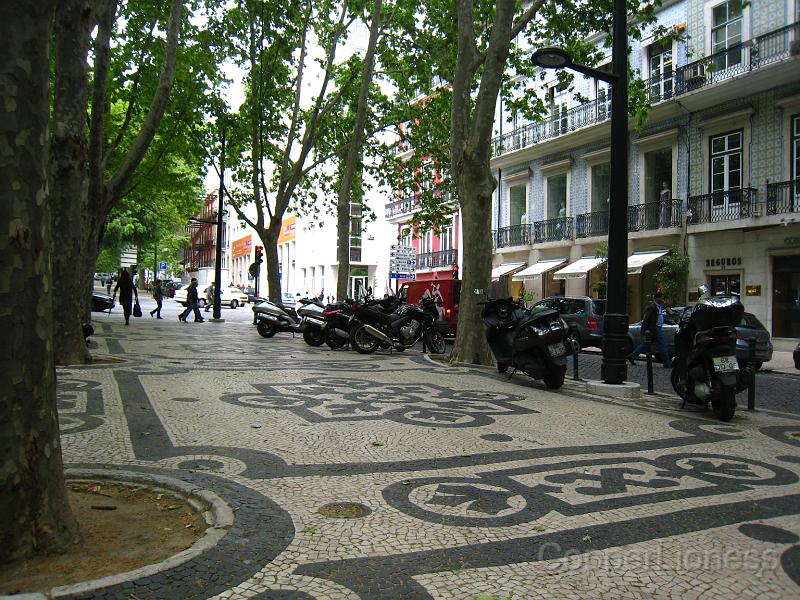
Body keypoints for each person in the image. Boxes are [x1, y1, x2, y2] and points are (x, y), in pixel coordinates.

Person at [628, 290, 670, 368]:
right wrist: (643, 330)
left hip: (655, 328)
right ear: (657, 298)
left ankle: (632, 356)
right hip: (655, 329)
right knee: (663, 345)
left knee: (646, 344)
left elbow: (659, 317)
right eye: (662, 298)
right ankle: (666, 362)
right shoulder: (652, 307)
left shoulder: (658, 307)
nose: (663, 300)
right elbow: (646, 319)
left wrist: (670, 321)